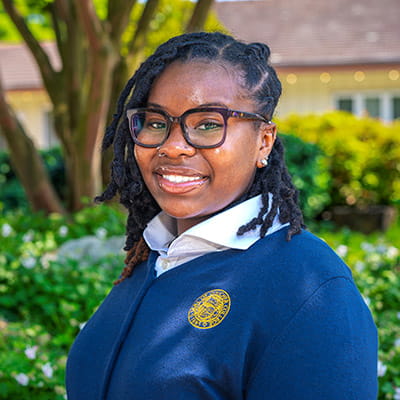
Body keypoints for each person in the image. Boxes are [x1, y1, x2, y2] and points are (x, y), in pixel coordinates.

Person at [66, 32, 378, 399]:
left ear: (264, 140)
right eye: (155, 122)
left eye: (208, 124)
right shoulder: (151, 255)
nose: (173, 146)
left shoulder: (309, 288)